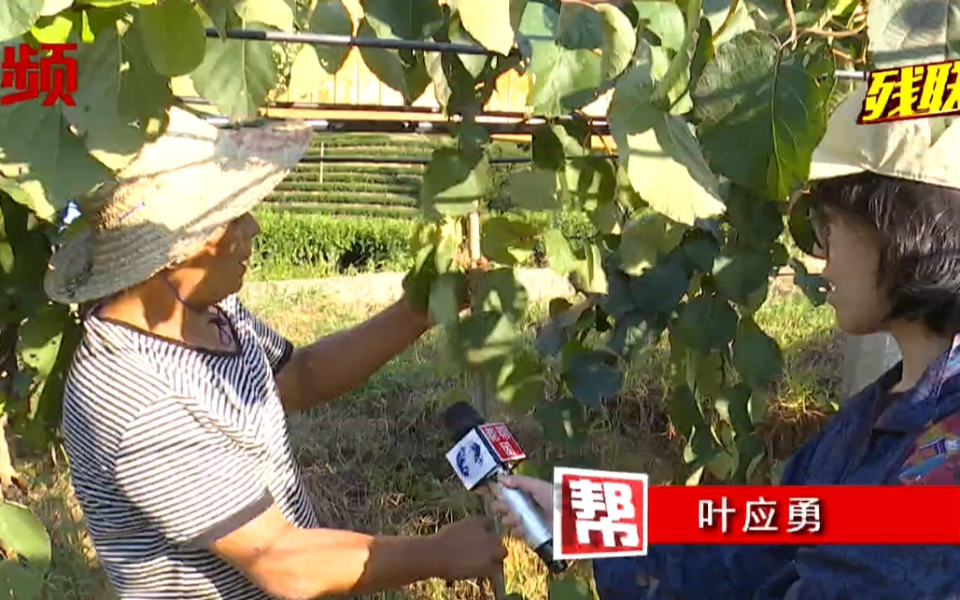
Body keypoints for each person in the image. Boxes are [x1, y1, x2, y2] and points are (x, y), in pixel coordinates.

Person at [488, 83, 960, 599]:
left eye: (828, 226)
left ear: (906, 230)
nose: (821, 254)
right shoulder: (879, 413)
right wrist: (589, 515)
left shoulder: (943, 466)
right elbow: (769, 530)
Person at [44, 107, 507, 600]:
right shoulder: (134, 398)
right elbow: (284, 565)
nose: (254, 229)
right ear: (179, 251)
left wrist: (421, 309)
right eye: (232, 218)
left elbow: (299, 375)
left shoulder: (204, 309)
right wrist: (436, 554)